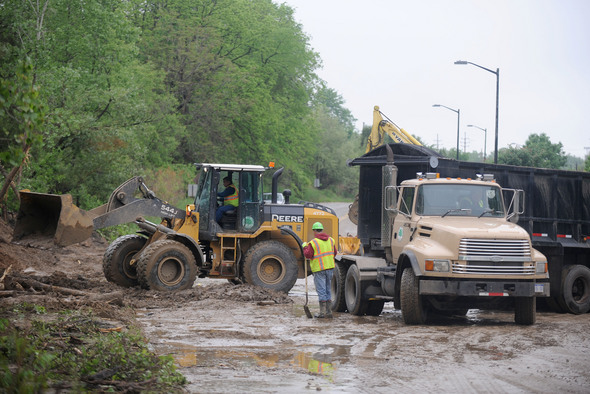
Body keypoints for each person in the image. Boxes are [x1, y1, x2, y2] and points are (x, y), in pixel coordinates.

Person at [303, 222, 337, 318]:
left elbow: (308, 255)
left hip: (319, 269)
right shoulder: (331, 240)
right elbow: (334, 253)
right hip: (330, 268)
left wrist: (305, 247)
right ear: (322, 230)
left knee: (321, 290)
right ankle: (329, 312)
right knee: (328, 290)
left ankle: (322, 313)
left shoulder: (313, 243)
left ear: (314, 231)